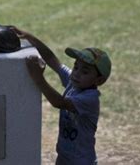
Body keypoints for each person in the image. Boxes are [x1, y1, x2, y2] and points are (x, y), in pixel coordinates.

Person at [11, 27, 112, 165]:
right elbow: (53, 60)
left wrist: (38, 77)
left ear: (99, 80)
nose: (76, 73)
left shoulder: (90, 99)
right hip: (64, 156)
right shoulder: (74, 82)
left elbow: (59, 102)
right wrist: (31, 38)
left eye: (85, 72)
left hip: (81, 161)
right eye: (76, 67)